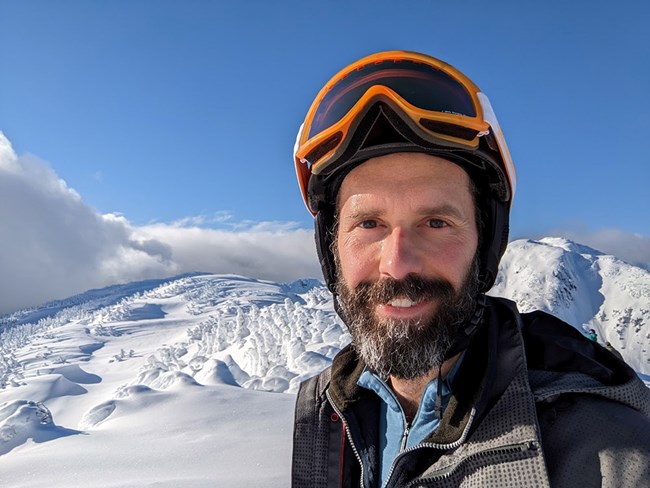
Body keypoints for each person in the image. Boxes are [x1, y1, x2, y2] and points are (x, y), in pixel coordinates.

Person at [290, 50, 650, 487]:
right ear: (332, 248)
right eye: (369, 223)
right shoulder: (328, 410)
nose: (397, 263)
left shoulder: (609, 449)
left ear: (485, 243)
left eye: (436, 222)